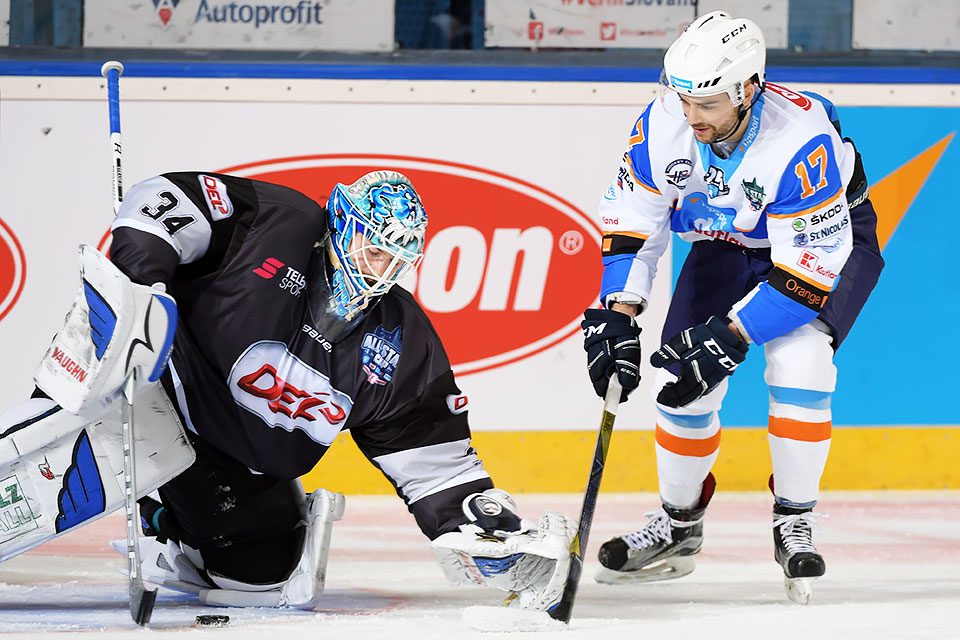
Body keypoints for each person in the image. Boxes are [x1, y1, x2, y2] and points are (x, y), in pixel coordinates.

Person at [0, 169, 576, 611]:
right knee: (40, 480)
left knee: (263, 567)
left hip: (228, 462)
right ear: (344, 227)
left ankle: (166, 526)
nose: (385, 269)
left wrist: (480, 532)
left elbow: (432, 461)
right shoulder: (276, 223)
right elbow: (165, 199)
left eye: (400, 258)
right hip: (147, 392)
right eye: (377, 249)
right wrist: (142, 283)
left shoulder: (403, 342)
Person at [580, 11, 883, 604]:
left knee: (801, 365)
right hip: (730, 238)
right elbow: (634, 222)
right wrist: (618, 310)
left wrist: (734, 334)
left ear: (749, 89)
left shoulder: (801, 139)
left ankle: (794, 516)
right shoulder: (665, 121)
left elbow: (805, 275)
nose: (692, 117)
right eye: (683, 97)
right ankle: (678, 523)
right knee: (683, 378)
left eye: (708, 103)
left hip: (820, 248)